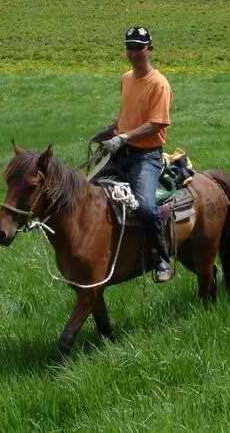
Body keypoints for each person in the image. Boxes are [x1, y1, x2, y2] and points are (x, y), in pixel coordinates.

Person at [91, 26, 174, 282]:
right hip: (121, 151)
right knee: (87, 191)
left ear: (150, 49)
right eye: (130, 47)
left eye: (139, 47)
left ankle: (162, 259)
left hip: (146, 156)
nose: (134, 52)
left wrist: (124, 137)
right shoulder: (126, 78)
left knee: (147, 208)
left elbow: (157, 123)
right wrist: (112, 130)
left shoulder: (159, 84)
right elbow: (127, 113)